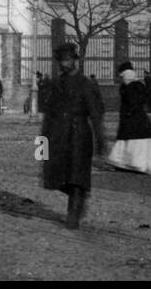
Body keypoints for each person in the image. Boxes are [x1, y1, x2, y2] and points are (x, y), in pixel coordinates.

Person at [39, 42, 104, 229]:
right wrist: (41, 148)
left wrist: (100, 140)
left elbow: (96, 114)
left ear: (75, 60)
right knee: (56, 174)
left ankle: (73, 213)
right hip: (58, 133)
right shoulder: (55, 83)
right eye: (61, 61)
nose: (64, 64)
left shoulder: (86, 84)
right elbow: (48, 116)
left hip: (79, 134)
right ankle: (79, 199)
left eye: (67, 60)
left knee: (76, 175)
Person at [107, 60, 151, 175]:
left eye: (124, 76)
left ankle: (137, 164)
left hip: (135, 117)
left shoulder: (135, 86)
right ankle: (125, 164)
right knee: (127, 141)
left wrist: (130, 110)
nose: (122, 79)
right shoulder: (128, 86)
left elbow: (136, 100)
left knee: (135, 141)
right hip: (131, 118)